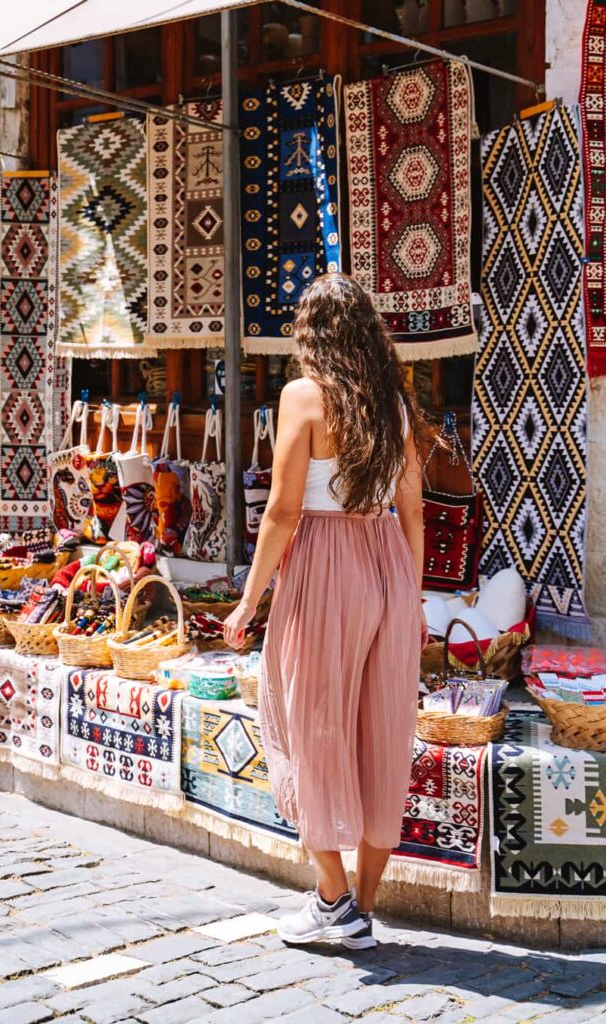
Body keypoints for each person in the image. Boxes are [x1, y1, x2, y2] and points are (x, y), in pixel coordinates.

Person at [223, 273, 429, 950]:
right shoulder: (392, 400)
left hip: (324, 564)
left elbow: (282, 511)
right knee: (380, 733)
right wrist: (411, 598)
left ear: (309, 334)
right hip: (388, 565)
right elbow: (413, 511)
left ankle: (334, 901)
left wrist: (249, 601)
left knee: (308, 721)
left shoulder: (303, 396)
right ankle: (358, 910)